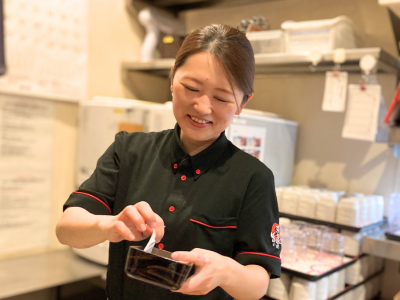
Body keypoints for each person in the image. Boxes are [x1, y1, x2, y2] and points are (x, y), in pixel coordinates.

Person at [56, 24, 281, 300]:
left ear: (243, 103)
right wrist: (110, 225)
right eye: (191, 88)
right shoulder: (129, 150)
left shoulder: (253, 178)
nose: (202, 107)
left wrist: (225, 271)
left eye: (221, 98)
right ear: (172, 78)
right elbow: (66, 229)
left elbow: (258, 284)